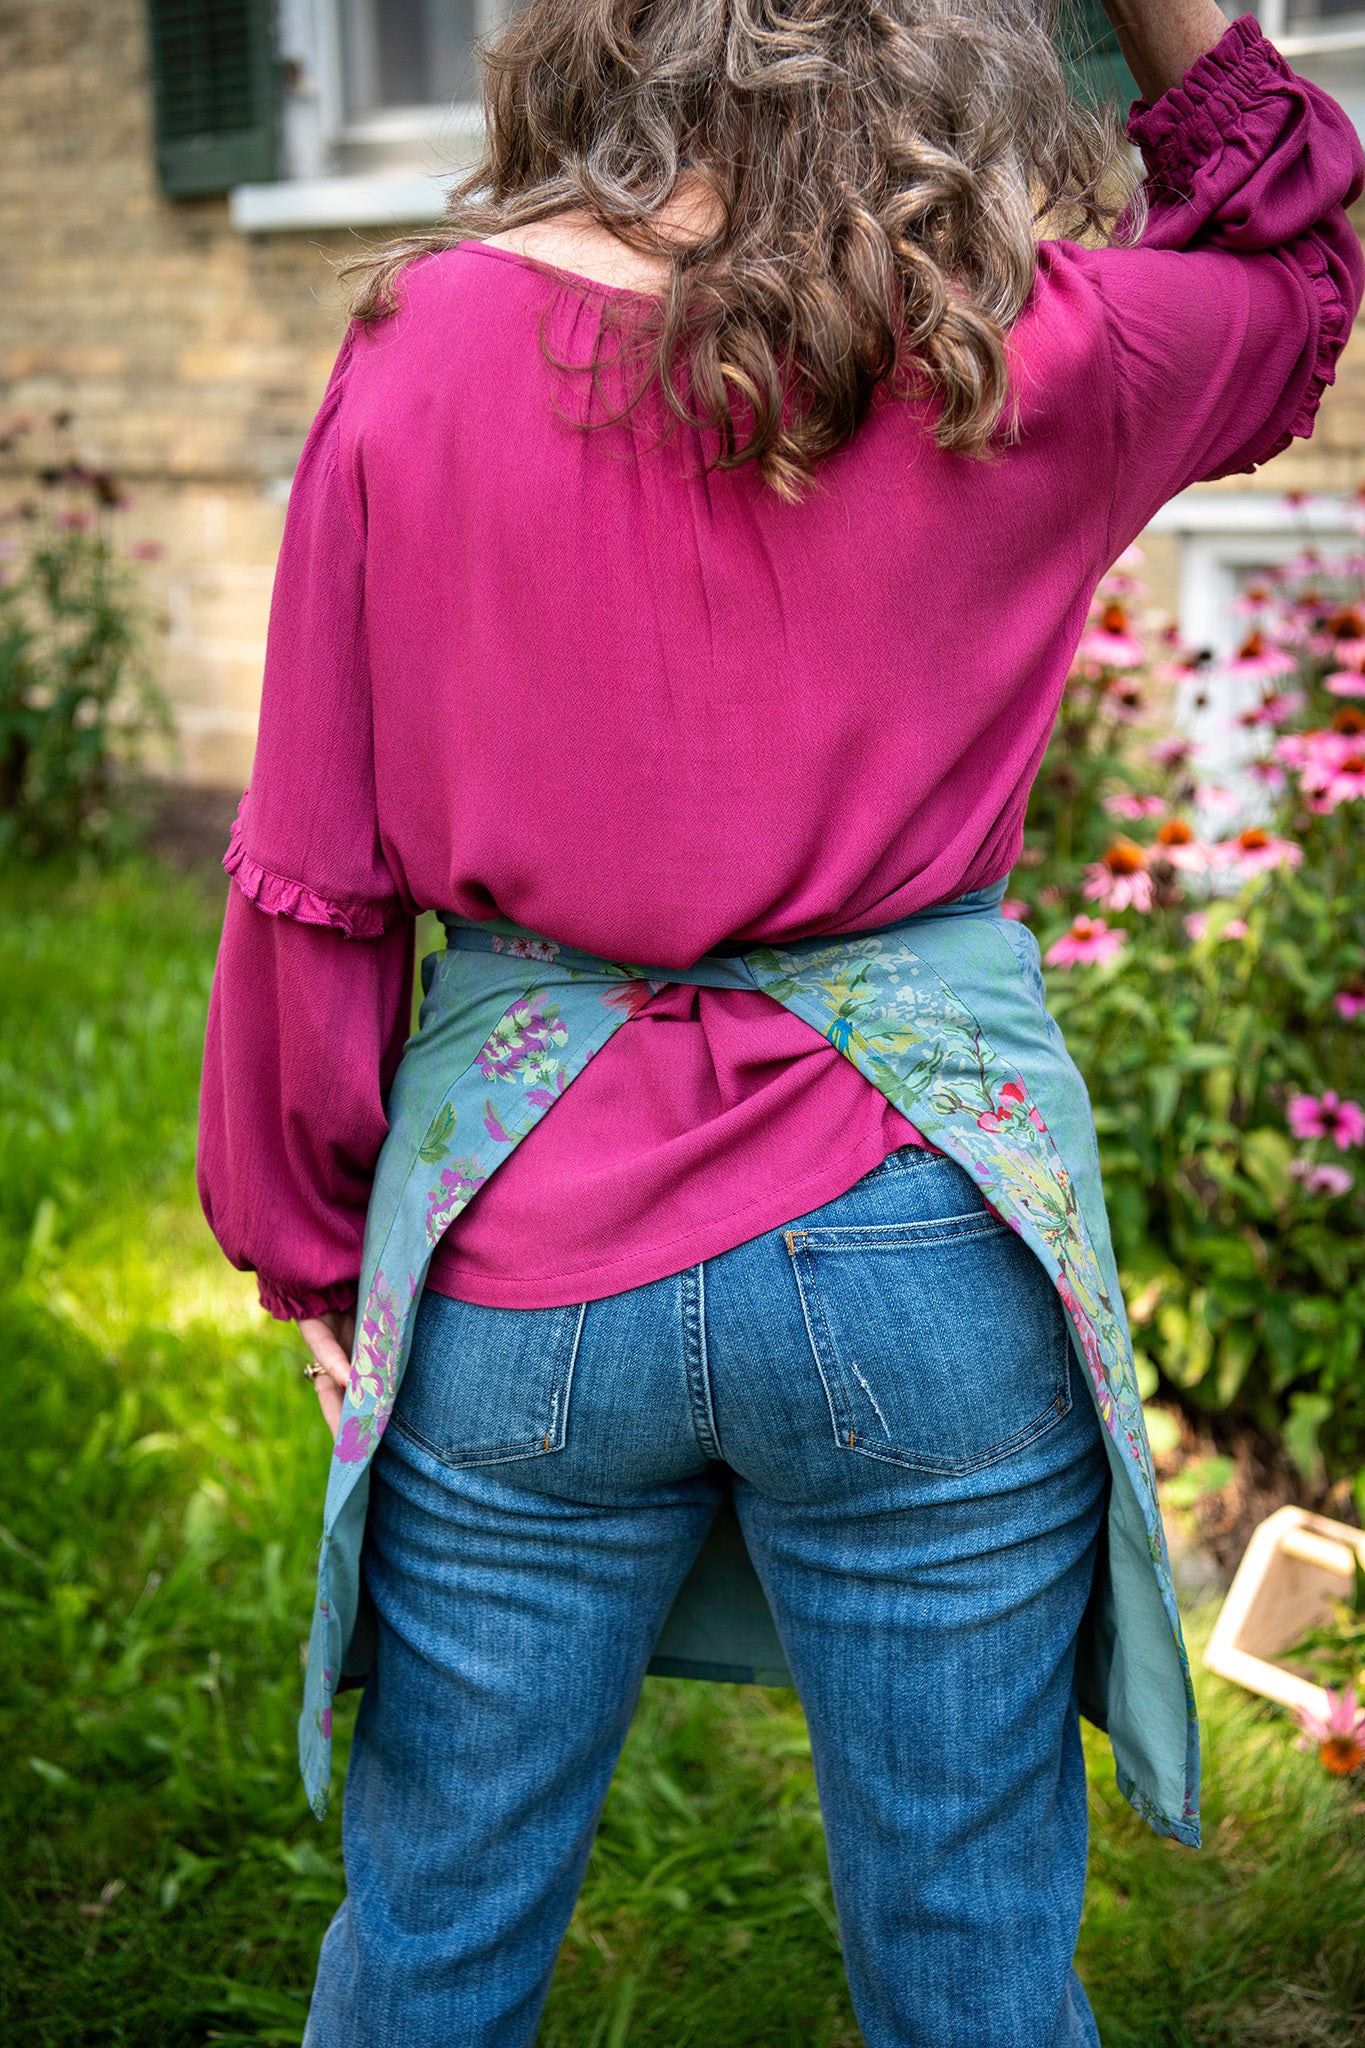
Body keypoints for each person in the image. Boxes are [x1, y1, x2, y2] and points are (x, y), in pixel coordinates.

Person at [196, 0, 1363, 2039]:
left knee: (432, 1940)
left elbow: (316, 854)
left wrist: (303, 1235)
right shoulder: (1026, 348)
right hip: (924, 1228)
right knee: (973, 1957)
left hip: (525, 1239)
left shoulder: (423, 345)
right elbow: (1293, 265)